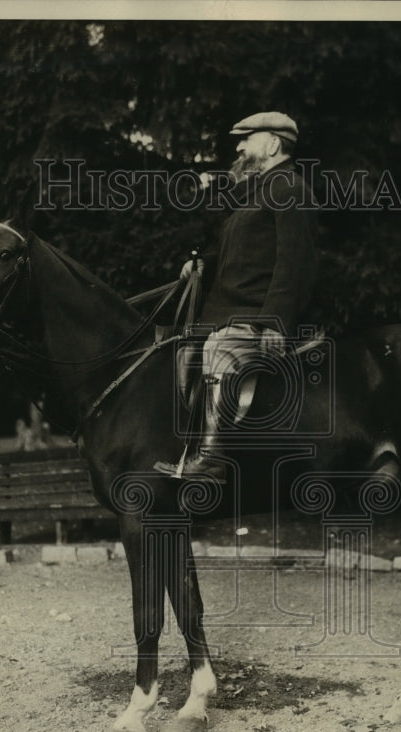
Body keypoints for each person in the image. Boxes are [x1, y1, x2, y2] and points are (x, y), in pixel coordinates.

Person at [154, 111, 318, 481]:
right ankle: (180, 450)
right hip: (227, 313)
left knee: (219, 350)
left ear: (273, 144)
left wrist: (275, 322)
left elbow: (296, 264)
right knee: (181, 354)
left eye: (247, 138)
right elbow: (243, 258)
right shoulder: (257, 193)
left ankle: (212, 459)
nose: (240, 147)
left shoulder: (289, 188)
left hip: (255, 318)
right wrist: (203, 267)